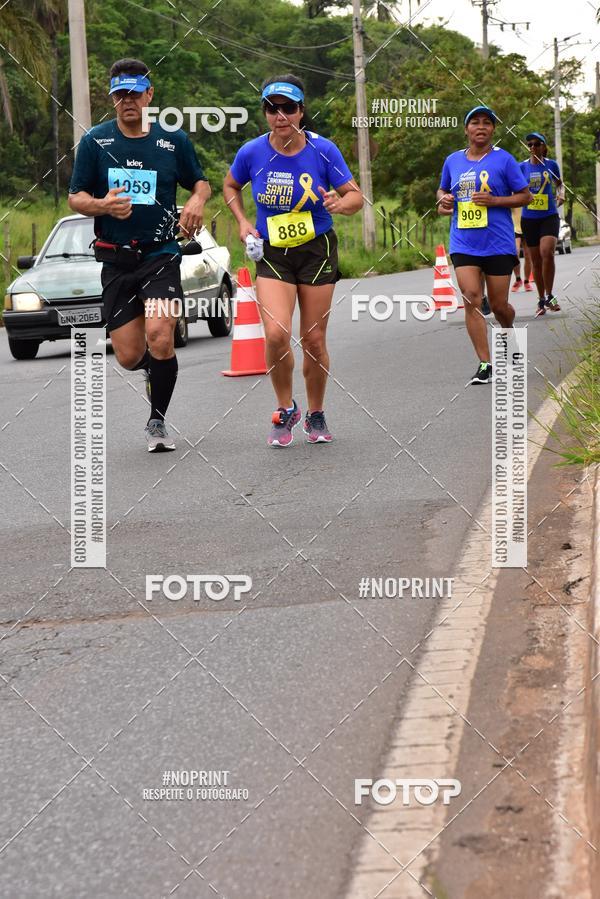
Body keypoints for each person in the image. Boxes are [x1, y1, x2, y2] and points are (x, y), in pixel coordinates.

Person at [69, 58, 210, 451]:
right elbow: (75, 197)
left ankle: (157, 422)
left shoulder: (172, 140)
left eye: (134, 93)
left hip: (160, 254)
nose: (127, 101)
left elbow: (201, 182)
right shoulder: (96, 141)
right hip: (116, 260)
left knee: (160, 335)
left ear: (150, 94)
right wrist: (103, 206)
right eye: (120, 95)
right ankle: (156, 370)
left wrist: (196, 201)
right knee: (130, 356)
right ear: (112, 99)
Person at [223, 74, 363, 446]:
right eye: (272, 108)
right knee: (275, 334)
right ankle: (285, 408)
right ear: (265, 112)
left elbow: (355, 197)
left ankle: (316, 413)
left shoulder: (323, 151)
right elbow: (230, 185)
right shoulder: (252, 152)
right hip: (274, 254)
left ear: (301, 111)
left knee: (314, 340)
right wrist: (242, 221)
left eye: (288, 108)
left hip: (316, 251)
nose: (280, 115)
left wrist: (338, 202)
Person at [437, 106, 532, 384]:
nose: (481, 127)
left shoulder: (504, 160)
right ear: (466, 129)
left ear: (492, 130)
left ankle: (509, 331)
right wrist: (443, 199)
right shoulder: (453, 160)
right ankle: (485, 364)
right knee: (471, 298)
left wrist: (496, 201)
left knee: (500, 305)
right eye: (475, 122)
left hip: (498, 242)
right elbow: (442, 190)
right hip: (464, 241)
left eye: (487, 123)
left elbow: (525, 196)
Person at [519, 132, 564, 316]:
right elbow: (514, 186)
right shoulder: (521, 167)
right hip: (529, 218)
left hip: (549, 216)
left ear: (544, 147)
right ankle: (541, 300)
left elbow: (560, 184)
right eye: (530, 144)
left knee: (548, 253)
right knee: (536, 260)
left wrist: (561, 194)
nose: (533, 147)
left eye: (537, 144)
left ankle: (550, 295)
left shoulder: (551, 164)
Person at [510, 206, 533, 292]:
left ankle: (526, 281)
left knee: (528, 255)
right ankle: (518, 279)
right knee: (515, 252)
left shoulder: (528, 193)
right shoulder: (511, 193)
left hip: (527, 226)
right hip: (515, 227)